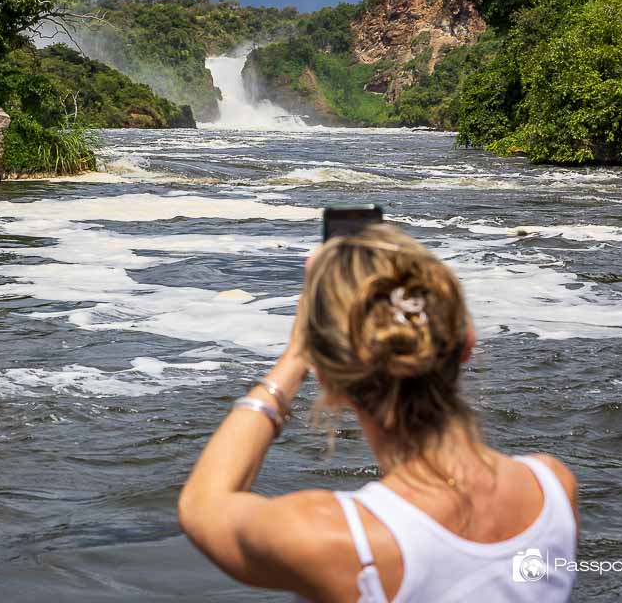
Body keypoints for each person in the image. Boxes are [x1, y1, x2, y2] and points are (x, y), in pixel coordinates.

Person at [178, 224, 578, 602]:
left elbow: (202, 506)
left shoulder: (339, 540)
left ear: (332, 382)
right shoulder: (553, 488)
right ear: (467, 343)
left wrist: (295, 355)